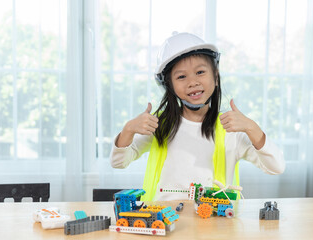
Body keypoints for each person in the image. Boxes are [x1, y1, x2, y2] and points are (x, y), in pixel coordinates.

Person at [110, 32, 285, 201]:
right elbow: (118, 162)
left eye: (200, 72)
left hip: (213, 227)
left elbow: (276, 167)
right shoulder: (159, 125)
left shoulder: (230, 130)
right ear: (170, 86)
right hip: (168, 224)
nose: (192, 82)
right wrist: (129, 129)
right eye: (181, 76)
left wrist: (251, 128)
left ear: (215, 76)